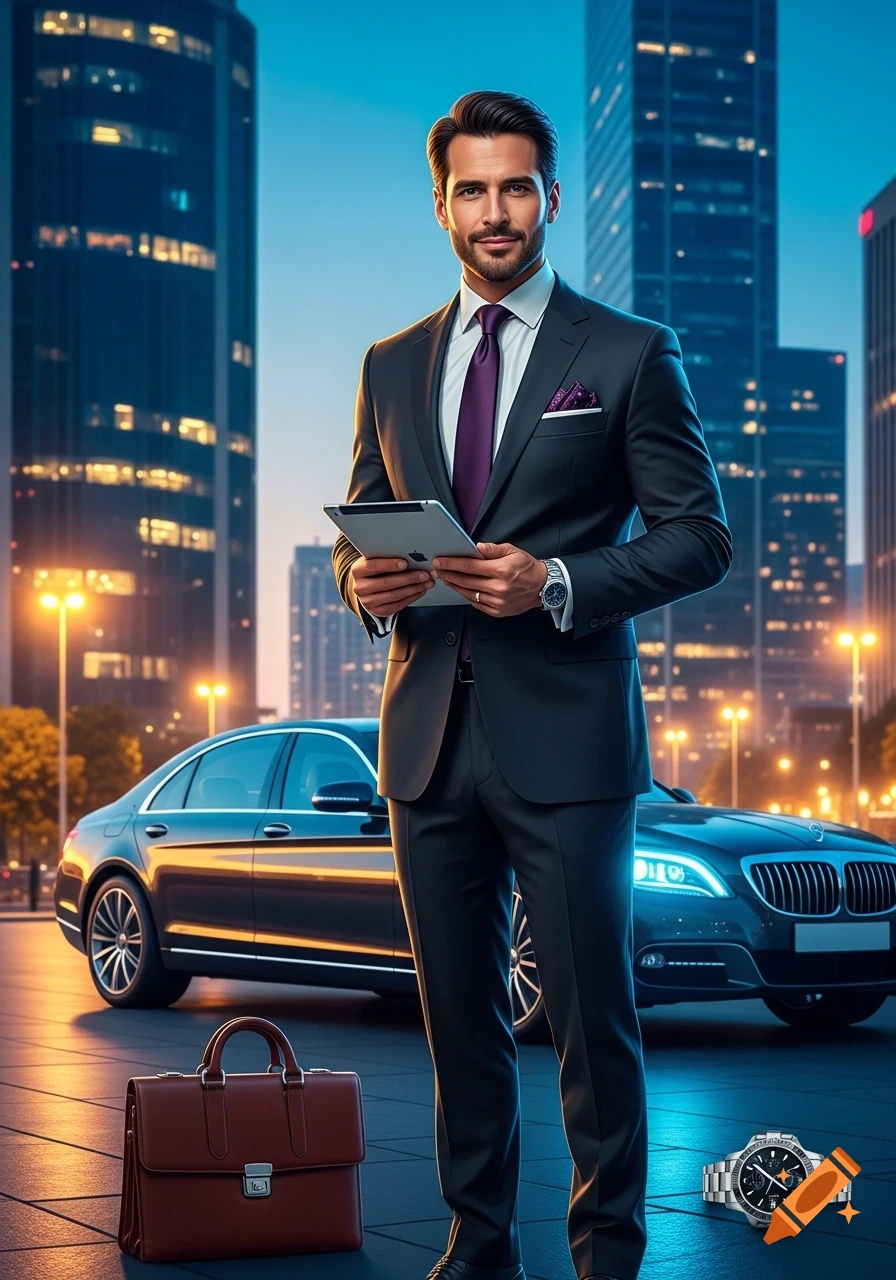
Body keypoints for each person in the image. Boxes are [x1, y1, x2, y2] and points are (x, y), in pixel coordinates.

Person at [332, 90, 732, 1280]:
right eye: (472, 190)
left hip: (567, 739)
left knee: (588, 1027)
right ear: (441, 205)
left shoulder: (624, 352)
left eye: (515, 187)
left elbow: (699, 536)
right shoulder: (388, 362)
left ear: (550, 198)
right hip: (425, 740)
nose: (494, 211)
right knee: (458, 1023)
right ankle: (477, 1248)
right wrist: (364, 582)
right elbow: (363, 522)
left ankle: (607, 1256)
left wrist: (554, 579)